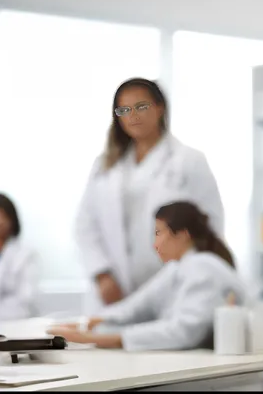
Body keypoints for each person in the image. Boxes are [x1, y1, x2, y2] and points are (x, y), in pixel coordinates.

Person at [74, 77, 225, 313]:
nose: (133, 116)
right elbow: (85, 224)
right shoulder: (104, 165)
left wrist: (187, 275)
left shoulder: (189, 160)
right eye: (124, 109)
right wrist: (102, 274)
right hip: (112, 291)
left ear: (160, 107)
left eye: (141, 107)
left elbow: (211, 225)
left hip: (170, 287)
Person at [48, 201, 245, 351]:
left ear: (182, 235)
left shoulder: (204, 268)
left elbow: (183, 332)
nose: (155, 244)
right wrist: (85, 324)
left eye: (159, 233)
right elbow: (136, 306)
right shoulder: (179, 268)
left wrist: (94, 339)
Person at [0, 193, 38, 320]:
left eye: (3, 216)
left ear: (12, 220)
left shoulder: (25, 255)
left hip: (15, 326)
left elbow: (26, 300)